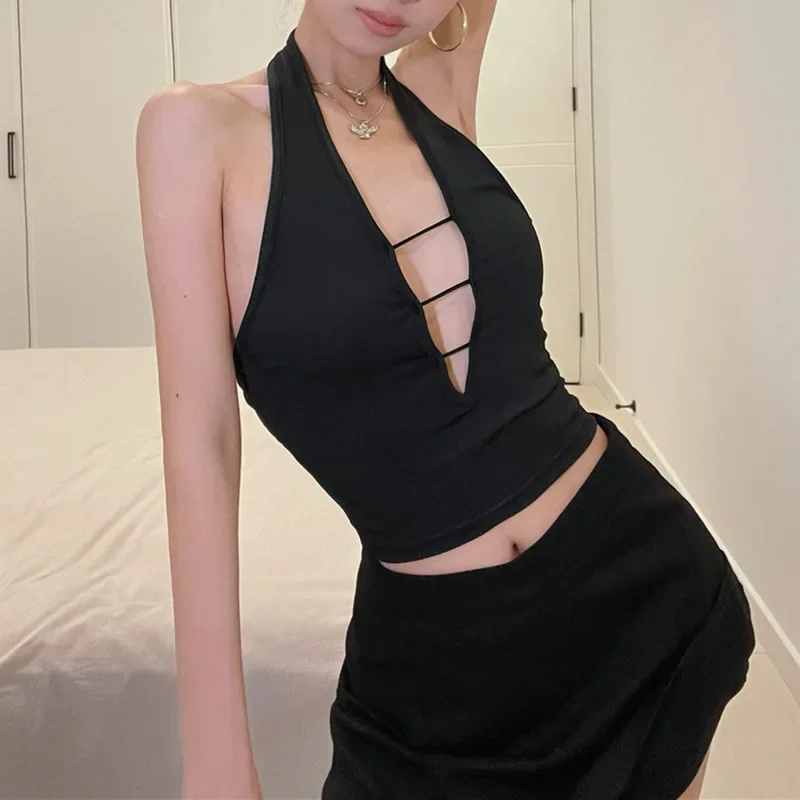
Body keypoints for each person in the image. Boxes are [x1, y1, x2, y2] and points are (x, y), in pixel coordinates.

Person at [135, 1, 756, 798]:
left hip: (642, 592)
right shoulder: (195, 130)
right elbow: (202, 443)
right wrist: (215, 764)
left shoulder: (438, 90)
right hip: (437, 675)